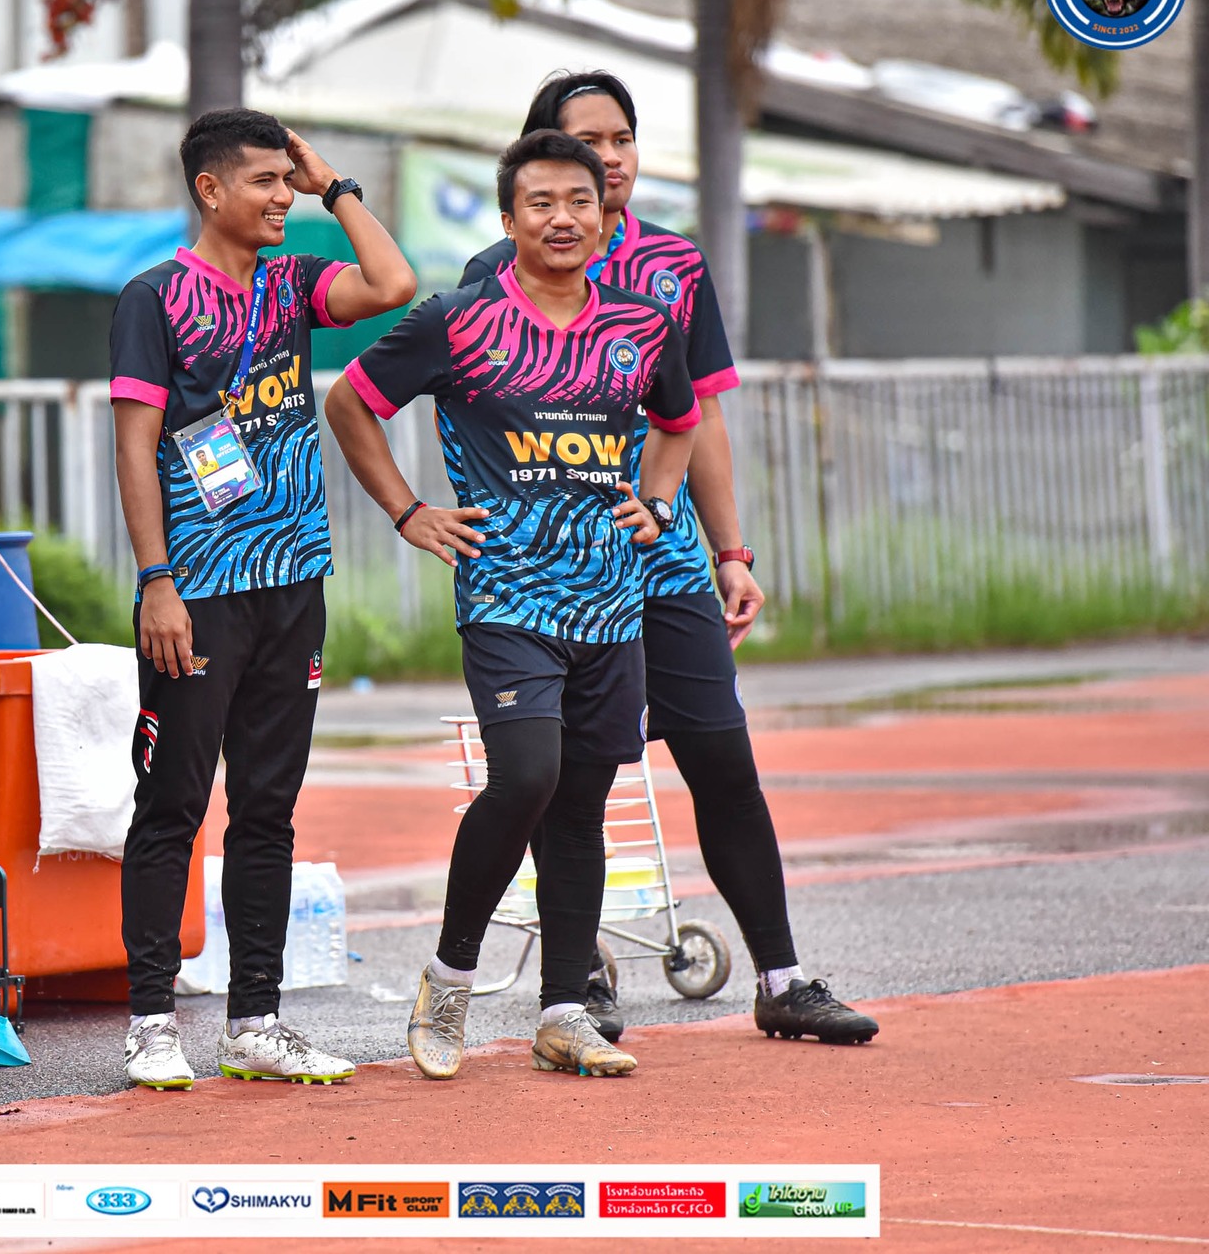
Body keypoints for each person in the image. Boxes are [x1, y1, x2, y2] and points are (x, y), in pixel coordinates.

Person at [462, 71, 878, 1046]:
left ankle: (781, 977)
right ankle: (573, 985)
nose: (609, 158)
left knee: (722, 759)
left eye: (622, 138)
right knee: (572, 780)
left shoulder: (672, 263)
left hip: (667, 567)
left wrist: (729, 551)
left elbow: (700, 419)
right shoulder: (494, 273)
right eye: (587, 141)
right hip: (556, 575)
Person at [325, 130, 700, 1080]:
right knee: (527, 773)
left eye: (579, 200)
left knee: (582, 802)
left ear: (605, 216)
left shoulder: (643, 324)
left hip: (612, 603)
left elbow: (681, 420)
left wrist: (657, 503)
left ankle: (564, 1010)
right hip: (506, 594)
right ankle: (449, 978)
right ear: (508, 219)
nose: (562, 218)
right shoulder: (458, 319)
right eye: (540, 202)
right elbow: (351, 404)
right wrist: (408, 510)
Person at [110, 108, 418, 1089]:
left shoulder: (292, 284)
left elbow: (392, 283)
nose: (282, 197)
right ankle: (151, 1021)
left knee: (268, 809)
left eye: (287, 181)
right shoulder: (153, 298)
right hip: (198, 593)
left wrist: (336, 186)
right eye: (265, 181)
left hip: (294, 584)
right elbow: (134, 446)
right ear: (209, 190)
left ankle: (255, 1020)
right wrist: (157, 581)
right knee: (171, 803)